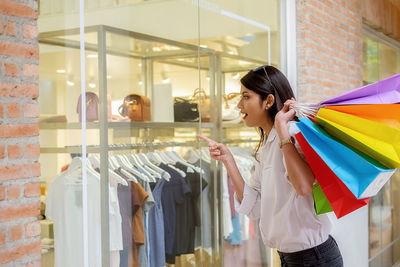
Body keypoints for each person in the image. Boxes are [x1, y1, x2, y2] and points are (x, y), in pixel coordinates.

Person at [198, 65, 343, 267]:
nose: (239, 105)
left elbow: (304, 187)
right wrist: (229, 161)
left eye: (246, 97)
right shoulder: (265, 146)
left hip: (314, 257)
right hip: (290, 257)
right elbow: (255, 207)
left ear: (268, 101)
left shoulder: (291, 134)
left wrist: (283, 130)